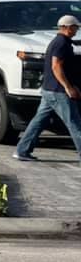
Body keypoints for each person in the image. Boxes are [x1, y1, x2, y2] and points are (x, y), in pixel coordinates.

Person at [13, 15, 81, 161]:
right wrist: (68, 87)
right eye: (75, 27)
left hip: (49, 90)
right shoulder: (61, 43)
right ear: (67, 27)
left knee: (38, 122)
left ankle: (22, 151)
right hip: (58, 91)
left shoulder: (61, 41)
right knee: (75, 124)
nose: (77, 29)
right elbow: (56, 66)